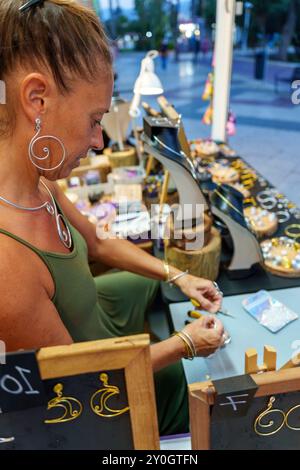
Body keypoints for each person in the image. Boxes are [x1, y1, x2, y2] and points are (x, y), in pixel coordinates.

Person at [0, 0, 224, 436]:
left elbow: (99, 242)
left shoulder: (38, 180)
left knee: (150, 284)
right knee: (189, 388)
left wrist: (178, 276)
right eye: (94, 119)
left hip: (97, 321)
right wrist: (185, 345)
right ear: (36, 98)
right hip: (99, 393)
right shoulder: (7, 265)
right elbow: (79, 382)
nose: (100, 140)